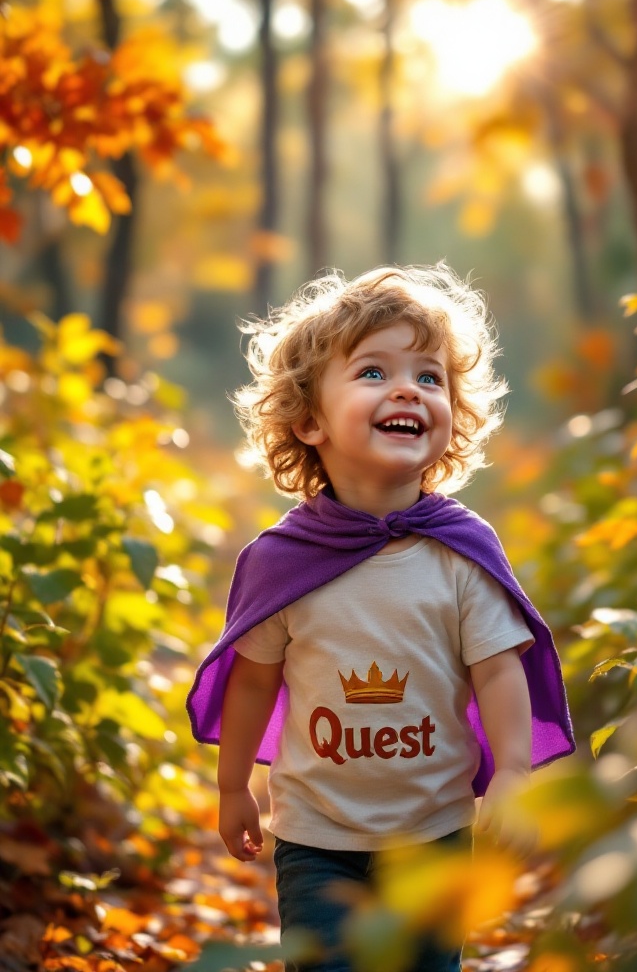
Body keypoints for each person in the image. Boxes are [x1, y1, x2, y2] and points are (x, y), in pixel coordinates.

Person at [186, 264, 574, 972]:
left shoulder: (459, 553)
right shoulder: (282, 560)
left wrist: (514, 771)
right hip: (315, 836)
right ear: (308, 420)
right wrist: (232, 783)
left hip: (434, 835)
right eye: (373, 372)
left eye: (430, 378)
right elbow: (251, 682)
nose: (408, 390)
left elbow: (497, 668)